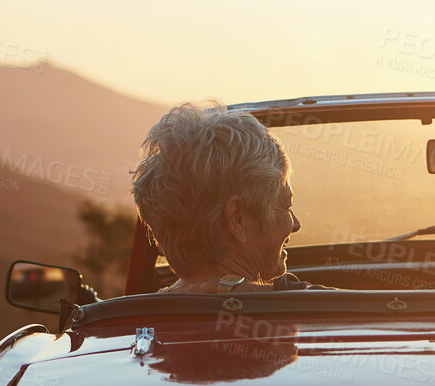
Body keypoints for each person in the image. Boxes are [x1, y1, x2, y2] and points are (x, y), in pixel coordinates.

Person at [130, 101, 321, 293]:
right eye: (286, 207)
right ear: (238, 220)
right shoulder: (313, 310)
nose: (296, 225)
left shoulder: (126, 318)